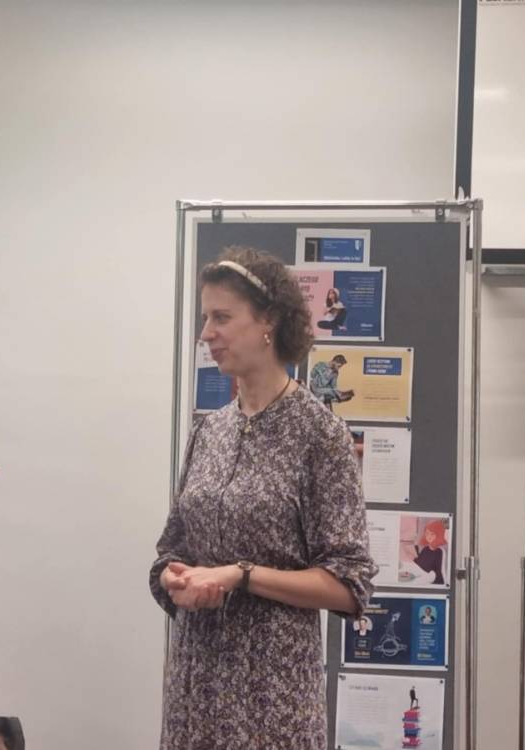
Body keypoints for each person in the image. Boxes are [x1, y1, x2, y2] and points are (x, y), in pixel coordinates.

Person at [149, 247, 377, 750]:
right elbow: (170, 551)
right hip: (196, 690)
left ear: (268, 320)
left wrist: (241, 575)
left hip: (272, 698)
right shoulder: (209, 431)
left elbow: (349, 585)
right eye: (206, 318)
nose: (206, 334)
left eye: (222, 318)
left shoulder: (320, 435)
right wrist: (174, 578)